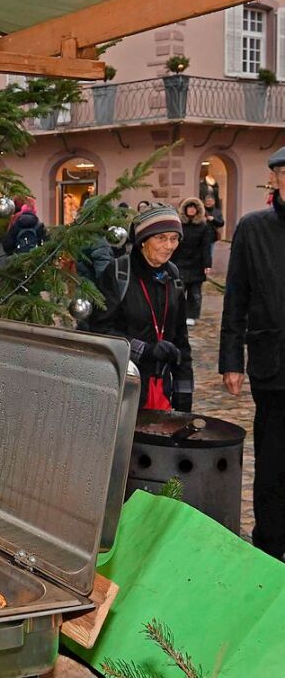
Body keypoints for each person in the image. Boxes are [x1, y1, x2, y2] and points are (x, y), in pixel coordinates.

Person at [218, 146, 285, 562]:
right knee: (273, 466)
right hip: (272, 366)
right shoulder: (253, 228)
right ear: (278, 178)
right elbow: (236, 298)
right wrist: (230, 359)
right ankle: (270, 550)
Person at [88, 204, 193, 412]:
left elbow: (181, 338)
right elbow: (100, 330)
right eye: (161, 238)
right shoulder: (118, 273)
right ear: (143, 240)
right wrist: (143, 350)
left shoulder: (174, 276)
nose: (169, 246)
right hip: (122, 387)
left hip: (162, 387)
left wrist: (184, 391)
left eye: (174, 238)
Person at [170, 197, 214, 326]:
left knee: (195, 293)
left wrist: (207, 264)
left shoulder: (203, 227)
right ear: (184, 209)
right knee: (179, 291)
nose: (191, 210)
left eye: (194, 207)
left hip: (197, 263)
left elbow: (206, 246)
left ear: (198, 210)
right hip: (180, 262)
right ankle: (178, 314)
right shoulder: (178, 225)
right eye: (189, 207)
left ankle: (192, 315)